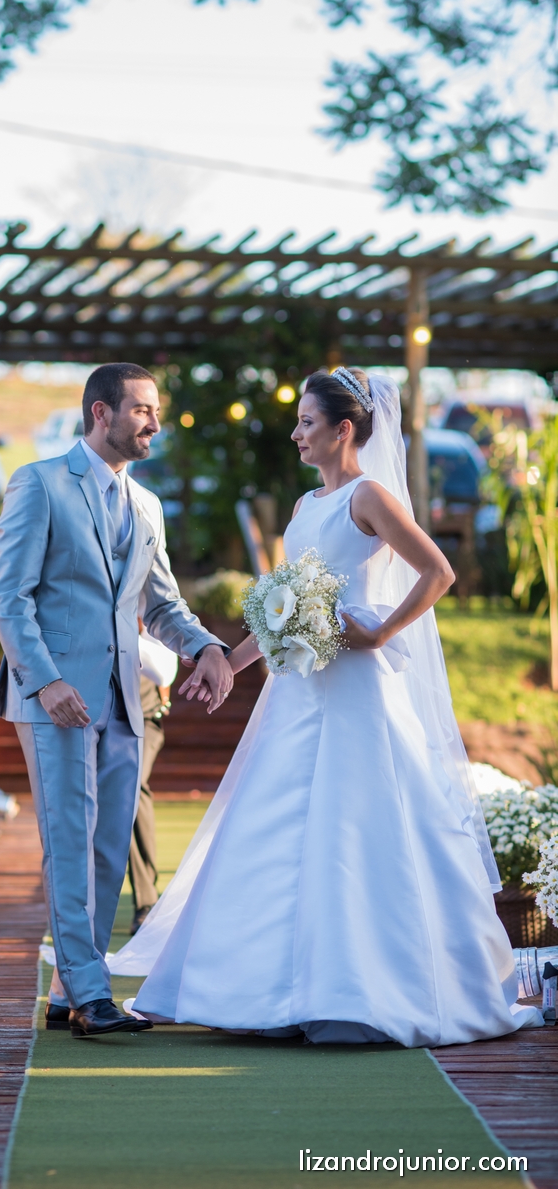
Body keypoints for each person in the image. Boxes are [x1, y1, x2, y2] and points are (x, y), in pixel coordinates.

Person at [110, 367, 544, 1046]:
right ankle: (255, 990)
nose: (295, 433)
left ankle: (363, 989)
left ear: (344, 429)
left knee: (357, 831)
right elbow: (285, 609)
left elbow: (436, 572)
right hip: (298, 691)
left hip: (357, 692)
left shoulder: (367, 497)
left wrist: (379, 629)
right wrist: (224, 661)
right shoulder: (306, 507)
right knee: (272, 826)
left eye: (306, 422)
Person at [0, 362, 233, 1039]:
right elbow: (7, 596)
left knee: (104, 849)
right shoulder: (38, 483)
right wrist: (45, 678)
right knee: (69, 841)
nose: (154, 422)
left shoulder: (146, 505)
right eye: (143, 409)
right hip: (56, 699)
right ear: (101, 412)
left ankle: (72, 988)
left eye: (156, 411)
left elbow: (162, 604)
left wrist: (206, 647)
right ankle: (94, 994)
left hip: (125, 698)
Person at [128, 624, 179, 934]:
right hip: (95, 712)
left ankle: (146, 901)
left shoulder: (147, 601)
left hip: (145, 717)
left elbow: (163, 671)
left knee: (132, 786)